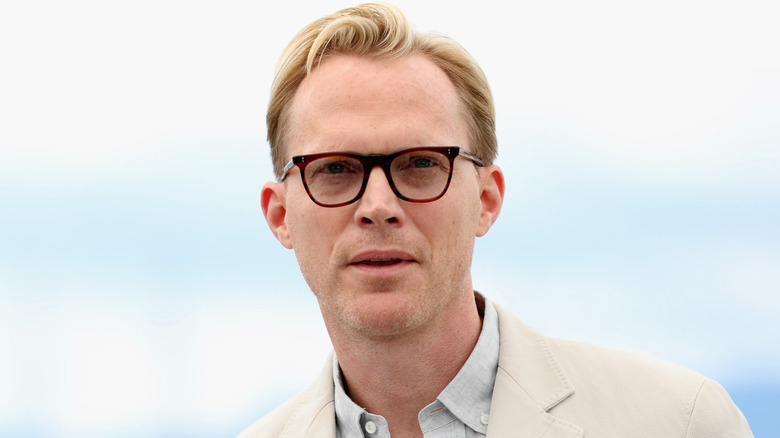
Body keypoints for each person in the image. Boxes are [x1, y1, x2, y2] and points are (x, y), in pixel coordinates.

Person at [239, 3, 753, 437]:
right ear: (280, 215)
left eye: (420, 163)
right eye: (335, 169)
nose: (378, 206)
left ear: (486, 200)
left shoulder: (679, 423)